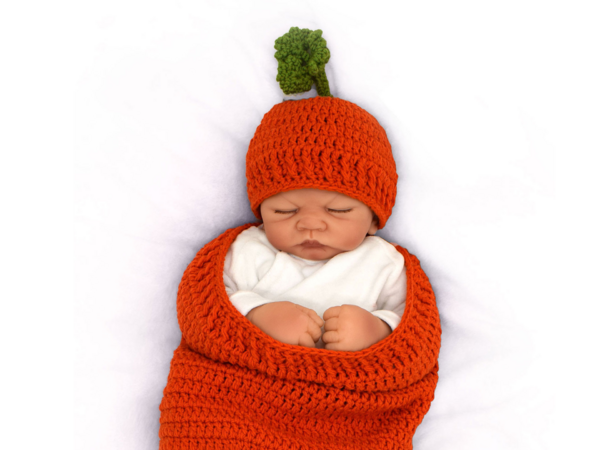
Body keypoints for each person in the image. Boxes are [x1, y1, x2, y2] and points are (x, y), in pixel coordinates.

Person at [223, 187, 407, 351]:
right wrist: (256, 314)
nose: (310, 225)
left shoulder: (383, 260)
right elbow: (214, 297)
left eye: (338, 210)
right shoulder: (248, 249)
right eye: (285, 211)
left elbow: (408, 318)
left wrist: (376, 329)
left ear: (373, 219)